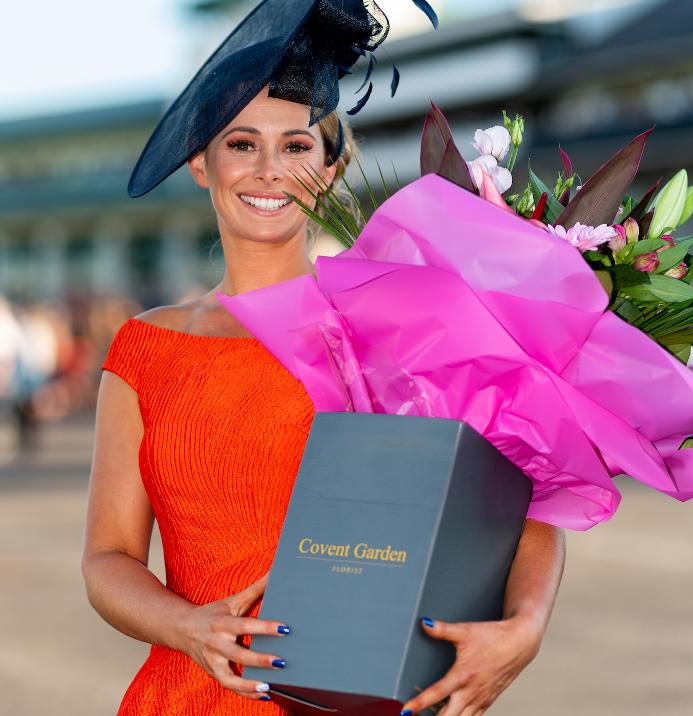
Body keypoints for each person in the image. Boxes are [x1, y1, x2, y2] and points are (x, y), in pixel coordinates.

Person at [81, 2, 566, 714]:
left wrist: (525, 627)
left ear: (331, 167)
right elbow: (107, 559)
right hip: (186, 696)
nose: (268, 171)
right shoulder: (146, 349)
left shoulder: (395, 324)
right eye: (241, 143)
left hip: (359, 697)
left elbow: (523, 501)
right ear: (199, 162)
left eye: (297, 146)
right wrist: (187, 627)